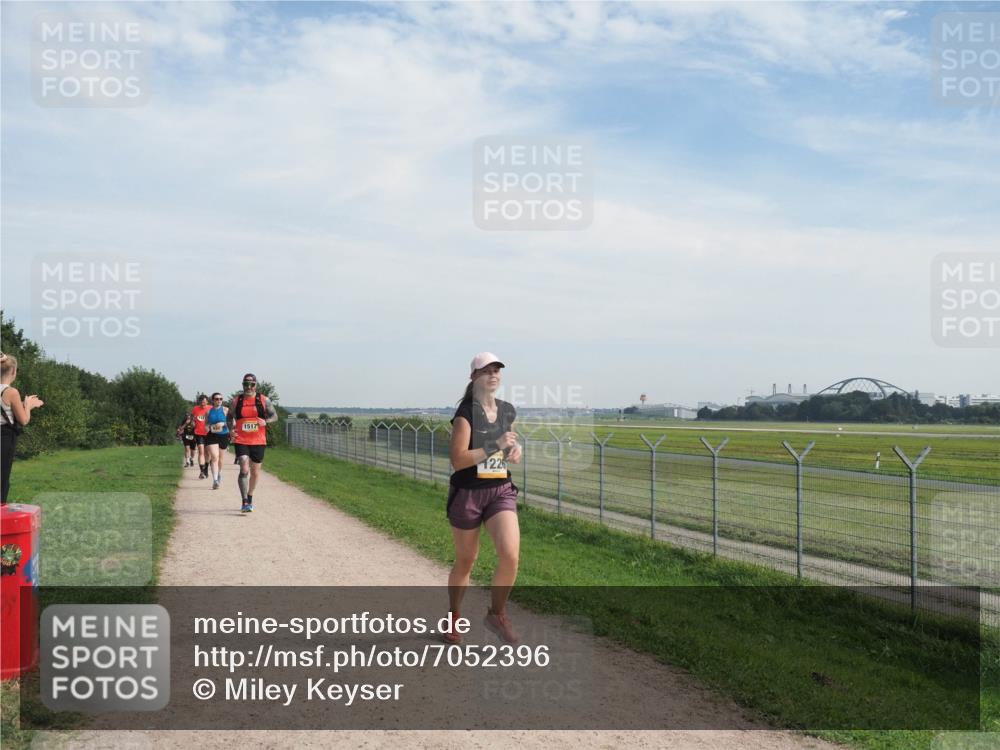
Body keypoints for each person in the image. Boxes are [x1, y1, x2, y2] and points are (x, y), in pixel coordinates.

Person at [443, 352, 522, 645]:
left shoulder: (507, 410)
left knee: (510, 555)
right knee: (466, 560)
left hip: (500, 490)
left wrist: (515, 450)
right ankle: (454, 616)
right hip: (468, 493)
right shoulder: (466, 413)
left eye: (497, 370)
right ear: (473, 376)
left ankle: (497, 614)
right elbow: (458, 459)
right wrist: (494, 444)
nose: (493, 375)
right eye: (486, 370)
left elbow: (509, 443)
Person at [227, 373, 277, 513]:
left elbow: (274, 416)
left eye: (252, 384)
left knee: (255, 472)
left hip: (258, 440)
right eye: (246, 384)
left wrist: (265, 421)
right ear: (243, 385)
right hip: (241, 439)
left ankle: (250, 496)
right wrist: (230, 430)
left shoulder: (264, 400)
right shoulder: (236, 401)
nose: (249, 387)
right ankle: (244, 501)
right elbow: (229, 416)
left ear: (256, 385)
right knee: (244, 467)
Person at [0, 354, 44, 504]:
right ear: (13, 371)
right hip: (4, 439)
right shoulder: (11, 392)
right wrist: (29, 405)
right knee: (2, 478)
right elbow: (24, 420)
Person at [204, 393, 230, 490]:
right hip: (212, 435)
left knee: (220, 459)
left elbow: (232, 423)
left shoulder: (226, 410)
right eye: (216, 399)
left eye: (220, 399)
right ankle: (215, 480)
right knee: (214, 457)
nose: (219, 400)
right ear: (213, 400)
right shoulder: (208, 412)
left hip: (223, 435)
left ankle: (218, 474)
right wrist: (208, 427)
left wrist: (223, 423)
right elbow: (206, 424)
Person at [190, 394, 211, 479]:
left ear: (207, 401)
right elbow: (192, 419)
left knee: (207, 453)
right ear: (199, 402)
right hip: (199, 433)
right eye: (201, 402)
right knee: (201, 451)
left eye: (204, 402)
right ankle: (202, 471)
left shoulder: (211, 408)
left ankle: (206, 469)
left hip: (209, 434)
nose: (203, 403)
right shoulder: (195, 409)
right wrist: (193, 422)